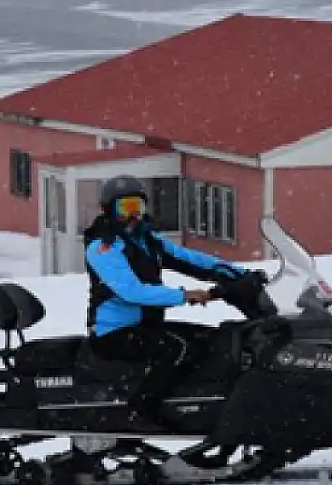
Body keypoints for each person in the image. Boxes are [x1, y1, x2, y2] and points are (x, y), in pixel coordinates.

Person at [83, 175, 244, 428]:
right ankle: (142, 410)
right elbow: (131, 292)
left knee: (209, 339)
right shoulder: (103, 247)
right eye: (125, 208)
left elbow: (191, 260)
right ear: (109, 211)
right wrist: (183, 295)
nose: (133, 215)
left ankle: (199, 405)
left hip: (145, 326)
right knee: (177, 349)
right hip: (113, 333)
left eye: (138, 207)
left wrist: (239, 274)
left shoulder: (148, 241)